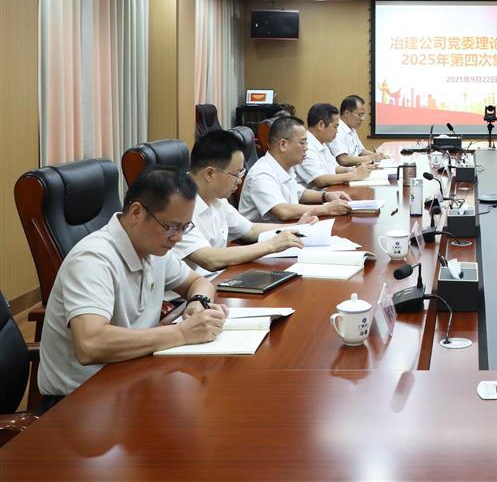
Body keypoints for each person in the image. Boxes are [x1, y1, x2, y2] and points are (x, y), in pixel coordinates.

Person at [38, 167, 229, 400]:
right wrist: (182, 332)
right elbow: (90, 343)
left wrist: (198, 302)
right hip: (82, 399)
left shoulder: (154, 249)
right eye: (171, 226)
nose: (178, 238)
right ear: (137, 212)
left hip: (134, 377)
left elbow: (198, 282)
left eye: (184, 227)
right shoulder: (93, 259)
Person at [175, 130, 320, 275]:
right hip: (194, 287)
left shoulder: (216, 198)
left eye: (241, 172)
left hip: (220, 278)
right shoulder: (177, 204)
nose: (239, 180)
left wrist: (296, 227)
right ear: (210, 174)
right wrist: (270, 245)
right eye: (236, 174)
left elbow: (250, 230)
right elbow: (209, 259)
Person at [239, 115, 352, 222]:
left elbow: (299, 193)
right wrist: (326, 209)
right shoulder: (262, 173)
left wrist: (326, 196)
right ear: (283, 145)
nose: (306, 148)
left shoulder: (285, 166)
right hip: (268, 234)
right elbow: (283, 211)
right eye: (302, 143)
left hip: (287, 228)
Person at [293, 103, 373, 188]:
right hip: (318, 195)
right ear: (321, 125)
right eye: (335, 127)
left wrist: (351, 169)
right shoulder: (305, 146)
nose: (337, 131)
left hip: (330, 191)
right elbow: (320, 180)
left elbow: (334, 168)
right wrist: (355, 174)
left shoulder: (322, 143)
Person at [330, 95, 384, 166]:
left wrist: (378, 156)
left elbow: (361, 151)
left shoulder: (351, 128)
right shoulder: (337, 130)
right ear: (347, 113)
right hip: (346, 171)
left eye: (363, 115)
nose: (362, 119)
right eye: (360, 115)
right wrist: (371, 157)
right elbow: (343, 159)